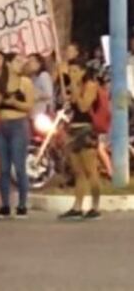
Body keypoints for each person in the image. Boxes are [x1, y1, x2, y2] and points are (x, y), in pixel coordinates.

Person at [0, 53, 34, 218]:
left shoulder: (25, 83)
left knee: (19, 166)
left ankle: (22, 204)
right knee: (3, 168)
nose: (21, 63)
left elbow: (29, 105)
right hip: (1, 125)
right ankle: (4, 204)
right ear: (8, 64)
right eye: (17, 60)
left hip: (18, 125)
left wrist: (15, 102)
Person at [59, 62, 102, 220]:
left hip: (86, 129)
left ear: (83, 71)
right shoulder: (73, 85)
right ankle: (77, 206)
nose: (73, 73)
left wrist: (75, 85)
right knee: (78, 172)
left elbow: (84, 106)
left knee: (91, 170)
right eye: (70, 70)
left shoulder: (90, 85)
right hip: (73, 129)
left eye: (76, 70)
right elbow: (69, 102)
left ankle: (95, 206)